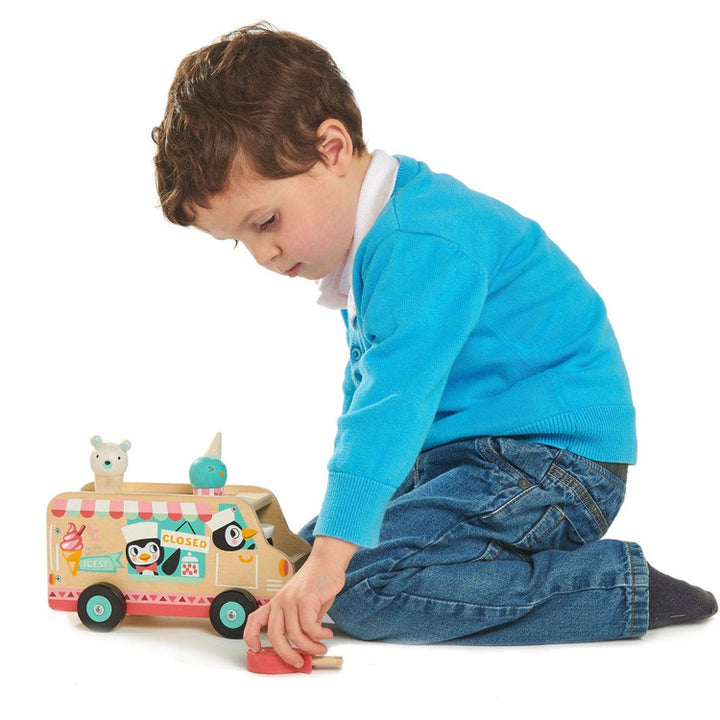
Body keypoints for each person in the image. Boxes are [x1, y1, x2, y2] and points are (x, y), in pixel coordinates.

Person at [152, 23, 716, 667]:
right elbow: (370, 397)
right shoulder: (376, 244)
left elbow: (394, 403)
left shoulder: (419, 241)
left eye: (267, 221)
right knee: (295, 563)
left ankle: (616, 587)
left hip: (552, 464)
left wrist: (335, 561)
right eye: (241, 241)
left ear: (331, 149)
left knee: (358, 589)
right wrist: (324, 553)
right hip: (471, 459)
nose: (263, 254)